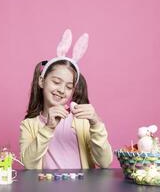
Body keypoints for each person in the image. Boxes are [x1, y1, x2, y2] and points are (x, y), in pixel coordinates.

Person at [19, 29, 112, 169]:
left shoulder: (82, 122)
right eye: (56, 82)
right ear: (41, 81)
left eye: (69, 87)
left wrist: (96, 124)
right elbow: (28, 165)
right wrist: (48, 128)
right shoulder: (28, 125)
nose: (62, 90)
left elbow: (105, 163)